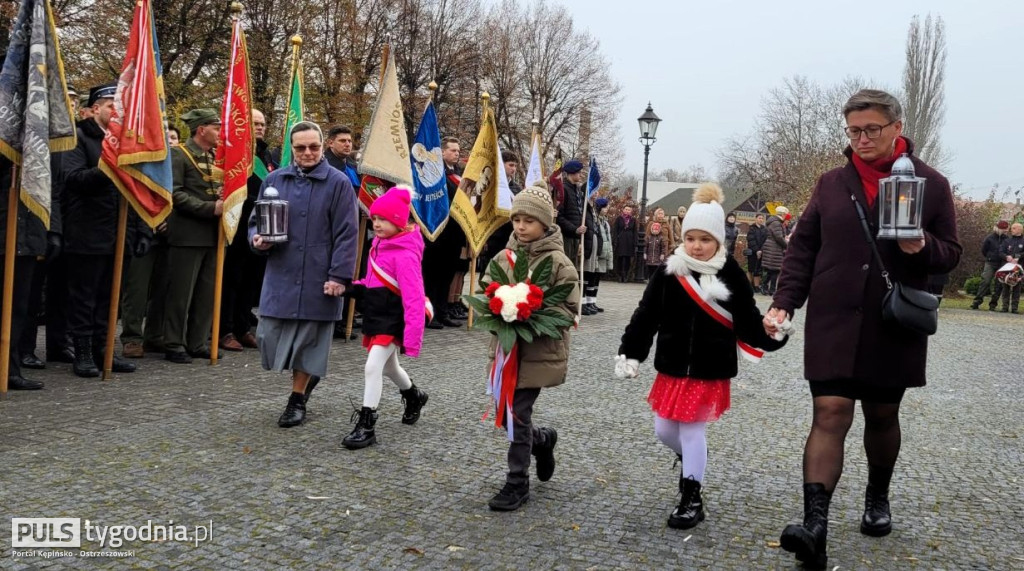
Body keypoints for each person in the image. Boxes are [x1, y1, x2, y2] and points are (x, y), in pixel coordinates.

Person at [764, 89, 961, 569]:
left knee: (881, 417)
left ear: (896, 127)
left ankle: (877, 496)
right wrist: (784, 304)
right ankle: (815, 526)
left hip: (892, 320)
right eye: (854, 131)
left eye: (872, 129)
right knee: (830, 412)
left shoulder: (931, 184)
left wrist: (923, 248)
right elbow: (804, 247)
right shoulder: (831, 182)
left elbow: (951, 252)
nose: (862, 138)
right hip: (833, 317)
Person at [616, 183, 786, 530]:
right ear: (683, 238)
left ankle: (691, 496)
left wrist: (771, 334)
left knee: (693, 431)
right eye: (691, 238)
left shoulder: (731, 274)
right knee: (664, 429)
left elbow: (748, 319)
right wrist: (631, 353)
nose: (697, 245)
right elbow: (646, 314)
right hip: (673, 364)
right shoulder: (669, 271)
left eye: (705, 239)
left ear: (718, 241)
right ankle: (691, 461)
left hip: (710, 367)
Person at [249, 121, 360, 428]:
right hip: (281, 274)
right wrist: (257, 238)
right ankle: (306, 378)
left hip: (319, 276)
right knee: (267, 337)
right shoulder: (274, 179)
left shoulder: (338, 183)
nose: (307, 153)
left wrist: (339, 276)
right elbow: (256, 221)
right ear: (292, 149)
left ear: (322, 146)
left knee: (308, 344)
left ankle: (297, 399)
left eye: (313, 147)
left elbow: (347, 234)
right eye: (300, 148)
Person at [485, 183, 580, 511]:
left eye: (528, 220)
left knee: (516, 413)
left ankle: (517, 482)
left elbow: (568, 310)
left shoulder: (558, 261)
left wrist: (532, 312)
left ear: (545, 223)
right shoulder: (504, 256)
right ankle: (541, 440)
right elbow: (487, 289)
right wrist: (497, 305)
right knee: (509, 415)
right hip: (507, 352)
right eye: (516, 220)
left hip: (537, 352)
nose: (521, 227)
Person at [342, 187, 430, 449]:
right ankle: (414, 396)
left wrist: (413, 338)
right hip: (377, 315)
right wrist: (350, 288)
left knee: (373, 367)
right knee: (390, 367)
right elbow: (373, 282)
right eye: (375, 218)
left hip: (394, 319)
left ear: (399, 221)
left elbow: (414, 298)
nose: (377, 224)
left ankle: (367, 424)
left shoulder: (405, 255)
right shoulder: (378, 245)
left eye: (384, 219)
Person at [61, 83, 139, 377]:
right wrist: (109, 167)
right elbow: (73, 178)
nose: (117, 112)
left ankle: (104, 350)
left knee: (111, 298)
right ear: (95, 109)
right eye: (111, 106)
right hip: (87, 233)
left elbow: (136, 192)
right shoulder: (78, 138)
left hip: (120, 234)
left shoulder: (128, 143)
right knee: (85, 297)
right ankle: (82, 353)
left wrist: (138, 232)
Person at [163, 108, 224, 364]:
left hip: (214, 235)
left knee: (206, 293)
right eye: (216, 128)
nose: (221, 133)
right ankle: (174, 342)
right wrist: (210, 208)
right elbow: (174, 193)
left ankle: (197, 341)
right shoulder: (179, 155)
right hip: (187, 234)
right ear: (202, 129)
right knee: (181, 294)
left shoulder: (215, 157)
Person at [219, 109, 275, 351]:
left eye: (262, 123)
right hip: (238, 222)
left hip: (261, 224)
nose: (260, 127)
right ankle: (224, 329)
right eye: (255, 123)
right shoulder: (236, 154)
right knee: (233, 278)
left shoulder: (268, 155)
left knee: (252, 280)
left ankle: (243, 327)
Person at [422, 136, 465, 329]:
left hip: (454, 232)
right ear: (442, 152)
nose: (456, 154)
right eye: (453, 150)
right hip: (437, 232)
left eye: (458, 151)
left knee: (447, 275)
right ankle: (428, 314)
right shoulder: (434, 172)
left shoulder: (459, 174)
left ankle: (442, 311)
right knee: (432, 275)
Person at [554, 159, 593, 269]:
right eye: (579, 173)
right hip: (566, 236)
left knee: (573, 268)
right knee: (565, 267)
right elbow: (559, 216)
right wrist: (574, 229)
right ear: (572, 173)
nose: (581, 175)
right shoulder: (563, 189)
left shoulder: (577, 190)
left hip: (576, 236)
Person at [582, 197, 613, 314]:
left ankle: (592, 302)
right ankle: (586, 302)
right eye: (604, 207)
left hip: (604, 252)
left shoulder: (605, 222)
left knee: (596, 280)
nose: (606, 209)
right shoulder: (596, 221)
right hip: (597, 252)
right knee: (590, 278)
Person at [971, 221, 1009, 310]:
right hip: (990, 262)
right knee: (985, 281)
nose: (1005, 231)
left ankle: (993, 304)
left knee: (999, 284)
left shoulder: (1007, 239)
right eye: (1003, 229)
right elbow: (984, 250)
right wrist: (989, 257)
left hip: (1002, 264)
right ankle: (977, 301)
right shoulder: (989, 238)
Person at [761, 206, 788, 295]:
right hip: (774, 248)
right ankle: (767, 288)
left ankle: (769, 288)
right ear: (783, 214)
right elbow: (779, 237)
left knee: (772, 270)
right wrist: (787, 245)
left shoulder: (774, 221)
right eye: (785, 214)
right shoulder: (776, 223)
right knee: (773, 270)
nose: (786, 216)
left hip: (772, 247)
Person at [998, 222, 1024, 313]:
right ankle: (1004, 307)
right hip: (1007, 267)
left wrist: (1018, 257)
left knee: (1017, 287)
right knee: (1005, 287)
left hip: (1018, 268)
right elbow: (1000, 251)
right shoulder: (1007, 241)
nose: (1011, 230)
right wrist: (1006, 257)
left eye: (1013, 228)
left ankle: (1014, 308)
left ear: (1019, 229)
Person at [644, 208, 671, 278]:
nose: (661, 215)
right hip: (653, 245)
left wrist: (672, 245)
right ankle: (652, 278)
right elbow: (647, 234)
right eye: (659, 213)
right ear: (656, 214)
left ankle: (660, 279)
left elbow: (670, 234)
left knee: (663, 264)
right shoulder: (651, 223)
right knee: (653, 265)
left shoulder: (666, 223)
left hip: (664, 246)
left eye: (662, 214)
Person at [613, 204, 637, 282]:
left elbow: (635, 232)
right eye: (626, 209)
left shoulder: (633, 220)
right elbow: (615, 230)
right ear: (623, 210)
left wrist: (635, 242)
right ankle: (620, 275)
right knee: (620, 258)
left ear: (631, 211)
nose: (627, 211)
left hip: (629, 242)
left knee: (627, 259)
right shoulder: (619, 219)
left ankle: (625, 275)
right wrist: (615, 240)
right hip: (620, 241)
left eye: (629, 210)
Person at [745, 214, 767, 291]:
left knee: (758, 270)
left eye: (762, 218)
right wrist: (757, 250)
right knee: (751, 269)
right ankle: (749, 285)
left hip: (761, 252)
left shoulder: (764, 229)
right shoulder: (752, 229)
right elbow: (751, 240)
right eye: (759, 218)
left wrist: (761, 250)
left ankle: (756, 286)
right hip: (752, 252)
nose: (761, 219)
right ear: (756, 219)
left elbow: (765, 241)